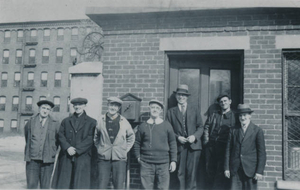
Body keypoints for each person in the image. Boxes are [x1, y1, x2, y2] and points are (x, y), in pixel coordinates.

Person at [51, 97, 97, 189]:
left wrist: (77, 150)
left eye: (80, 105)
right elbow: (61, 135)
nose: (77, 107)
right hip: (66, 156)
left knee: (80, 183)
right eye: (75, 105)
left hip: (83, 156)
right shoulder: (66, 121)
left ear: (85, 106)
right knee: (64, 182)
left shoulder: (92, 122)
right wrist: (68, 147)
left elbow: (91, 138)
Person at [166, 84, 204, 190]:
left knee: (192, 174)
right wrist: (177, 137)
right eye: (179, 95)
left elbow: (200, 127)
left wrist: (194, 136)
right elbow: (168, 130)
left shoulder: (194, 109)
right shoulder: (170, 112)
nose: (181, 97)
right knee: (180, 173)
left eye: (183, 95)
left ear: (187, 97)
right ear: (176, 96)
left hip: (194, 147)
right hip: (179, 146)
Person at [134, 99, 177, 190]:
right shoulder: (142, 126)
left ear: (161, 111)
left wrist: (173, 160)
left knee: (163, 188)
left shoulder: (167, 125)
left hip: (163, 163)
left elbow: (173, 143)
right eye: (153, 107)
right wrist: (138, 156)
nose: (155, 109)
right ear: (149, 109)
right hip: (146, 163)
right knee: (146, 188)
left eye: (157, 108)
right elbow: (137, 143)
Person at [94, 97, 135, 189]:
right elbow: (96, 137)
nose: (113, 108)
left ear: (119, 108)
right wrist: (100, 148)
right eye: (111, 105)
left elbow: (131, 137)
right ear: (107, 105)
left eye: (116, 106)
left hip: (119, 158)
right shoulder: (100, 120)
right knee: (101, 185)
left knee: (119, 185)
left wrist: (125, 149)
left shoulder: (124, 121)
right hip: (103, 158)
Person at [224, 104, 266, 190]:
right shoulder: (233, 130)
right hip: (235, 169)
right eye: (240, 115)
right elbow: (228, 150)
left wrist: (259, 171)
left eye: (244, 115)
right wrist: (226, 168)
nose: (242, 118)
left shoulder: (257, 131)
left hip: (251, 170)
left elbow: (262, 153)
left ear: (249, 116)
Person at [24, 100, 60, 189]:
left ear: (50, 111)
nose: (45, 111)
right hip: (32, 160)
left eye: (48, 109)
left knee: (45, 186)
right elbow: (27, 136)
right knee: (31, 185)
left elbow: (58, 141)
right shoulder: (31, 122)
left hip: (47, 161)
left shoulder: (55, 123)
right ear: (39, 109)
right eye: (43, 108)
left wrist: (52, 152)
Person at [203, 93, 236, 190]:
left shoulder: (234, 116)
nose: (223, 103)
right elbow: (207, 127)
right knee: (209, 171)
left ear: (230, 102)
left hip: (224, 149)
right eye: (221, 102)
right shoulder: (214, 115)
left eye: (225, 101)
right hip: (211, 147)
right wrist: (206, 141)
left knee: (221, 174)